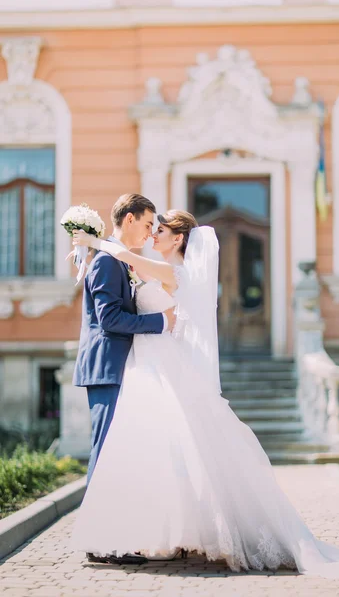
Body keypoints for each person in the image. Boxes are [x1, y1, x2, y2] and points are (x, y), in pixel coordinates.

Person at [71, 209, 339, 581]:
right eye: (150, 227)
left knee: (173, 447)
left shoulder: (172, 273)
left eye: (158, 230)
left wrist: (94, 242)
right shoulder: (156, 268)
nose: (152, 235)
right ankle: (164, 533)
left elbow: (126, 258)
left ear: (179, 239)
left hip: (159, 363)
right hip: (148, 363)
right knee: (163, 450)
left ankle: (172, 533)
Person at [73, 193, 176, 565]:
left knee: (113, 453)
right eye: (148, 224)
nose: (150, 233)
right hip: (107, 367)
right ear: (130, 219)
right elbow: (110, 319)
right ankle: (103, 542)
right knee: (104, 454)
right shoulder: (106, 261)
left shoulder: (118, 260)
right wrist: (161, 322)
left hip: (119, 367)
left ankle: (108, 538)